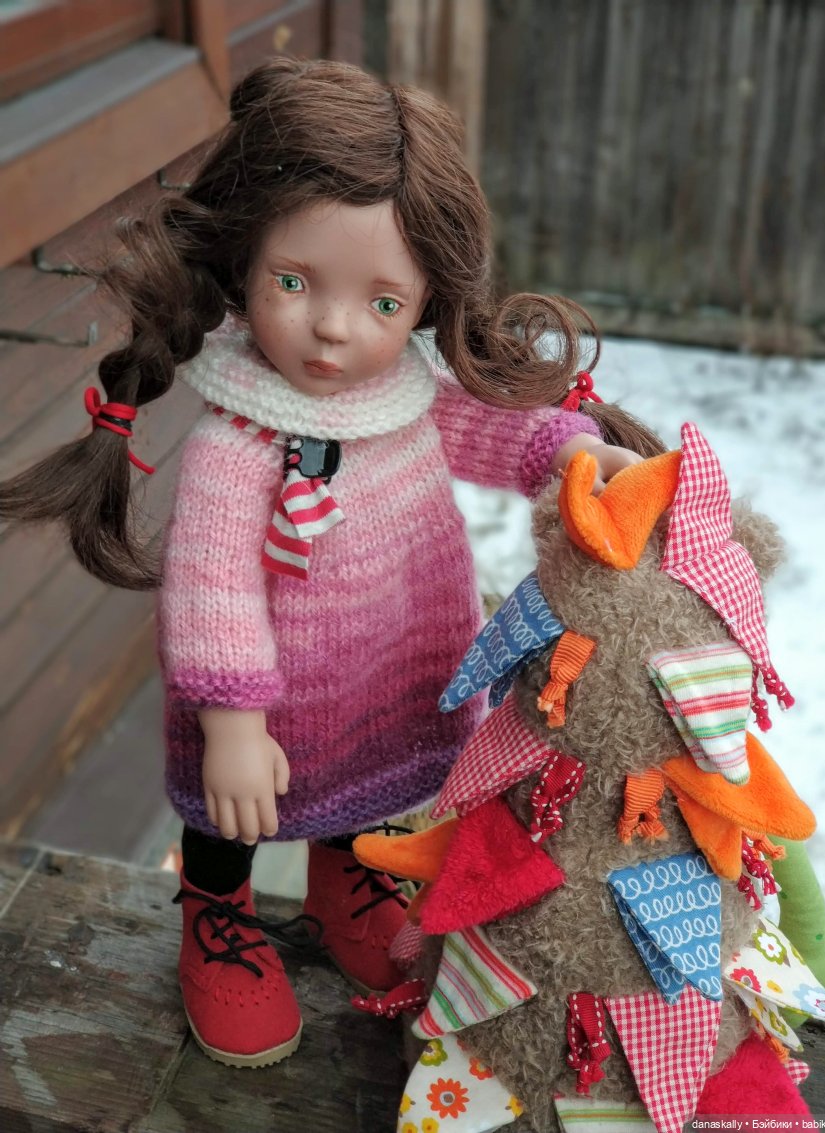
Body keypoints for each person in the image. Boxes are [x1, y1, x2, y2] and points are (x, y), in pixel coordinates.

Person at [0, 58, 654, 1069]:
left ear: (427, 299)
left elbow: (494, 431)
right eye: (295, 282)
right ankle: (216, 909)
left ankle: (344, 872)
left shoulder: (410, 396)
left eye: (383, 302)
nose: (334, 328)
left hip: (388, 670)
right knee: (234, 812)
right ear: (244, 261)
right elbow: (212, 593)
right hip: (262, 709)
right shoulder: (235, 448)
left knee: (368, 782)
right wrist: (232, 721)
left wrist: (568, 451)